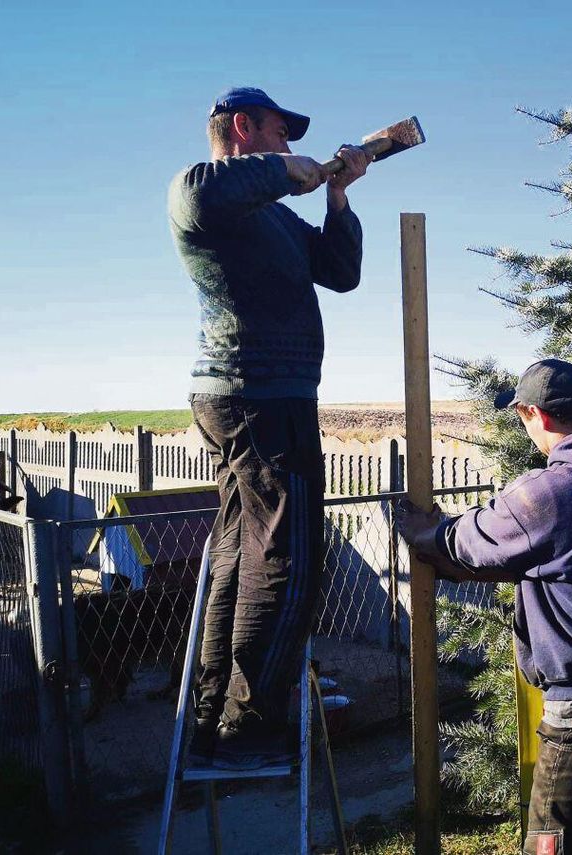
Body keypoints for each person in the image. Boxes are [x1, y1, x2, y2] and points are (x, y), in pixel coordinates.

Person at [394, 358, 572, 854]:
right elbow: (565, 559)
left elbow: (468, 541)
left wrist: (425, 532)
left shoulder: (554, 490)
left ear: (535, 415)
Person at [168, 86, 371, 769]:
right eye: (282, 133)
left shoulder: (278, 220)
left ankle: (212, 720)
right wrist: (288, 169)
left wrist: (336, 198)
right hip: (259, 397)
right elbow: (207, 192)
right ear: (243, 127)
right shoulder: (198, 192)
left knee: (240, 555)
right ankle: (249, 731)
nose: (289, 145)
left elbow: (340, 273)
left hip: (262, 398)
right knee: (291, 558)